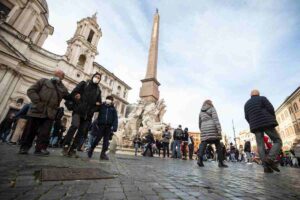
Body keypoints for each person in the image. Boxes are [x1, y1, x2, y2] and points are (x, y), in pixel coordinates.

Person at [19, 69, 69, 155]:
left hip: (50, 113)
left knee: (45, 132)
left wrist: (77, 96)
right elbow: (31, 90)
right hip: (36, 110)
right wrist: (37, 101)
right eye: (55, 74)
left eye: (59, 75)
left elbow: (69, 97)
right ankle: (24, 148)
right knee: (30, 130)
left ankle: (40, 149)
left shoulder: (63, 88)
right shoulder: (43, 81)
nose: (56, 75)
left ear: (62, 78)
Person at [63, 72, 102, 157]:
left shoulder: (98, 91)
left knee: (81, 132)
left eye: (99, 78)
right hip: (78, 110)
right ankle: (66, 146)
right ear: (93, 77)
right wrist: (76, 96)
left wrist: (93, 109)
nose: (97, 78)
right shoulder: (84, 83)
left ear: (99, 80)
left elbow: (99, 105)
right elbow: (74, 93)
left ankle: (73, 149)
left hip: (88, 115)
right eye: (96, 76)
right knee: (74, 126)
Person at [244, 89, 282, 173]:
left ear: (251, 95)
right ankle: (270, 159)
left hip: (255, 126)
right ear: (258, 94)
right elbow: (271, 108)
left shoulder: (246, 104)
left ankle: (266, 167)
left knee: (260, 146)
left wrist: (253, 123)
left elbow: (246, 117)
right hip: (266, 122)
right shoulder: (262, 98)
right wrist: (272, 118)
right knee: (277, 141)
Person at [197, 100, 228, 168]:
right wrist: (219, 129)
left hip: (204, 129)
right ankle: (220, 163)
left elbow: (199, 123)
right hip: (213, 128)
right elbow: (216, 119)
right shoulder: (212, 108)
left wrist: (202, 130)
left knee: (203, 143)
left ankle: (200, 160)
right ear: (210, 103)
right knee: (218, 145)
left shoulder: (200, 112)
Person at [87, 96, 118, 160]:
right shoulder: (102, 106)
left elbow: (115, 118)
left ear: (112, 101)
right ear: (106, 99)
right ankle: (91, 149)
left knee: (106, 141)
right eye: (108, 99)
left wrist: (115, 127)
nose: (109, 100)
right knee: (97, 139)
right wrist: (97, 104)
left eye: (110, 100)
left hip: (109, 127)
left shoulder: (113, 108)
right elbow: (95, 109)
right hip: (101, 125)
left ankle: (103, 154)